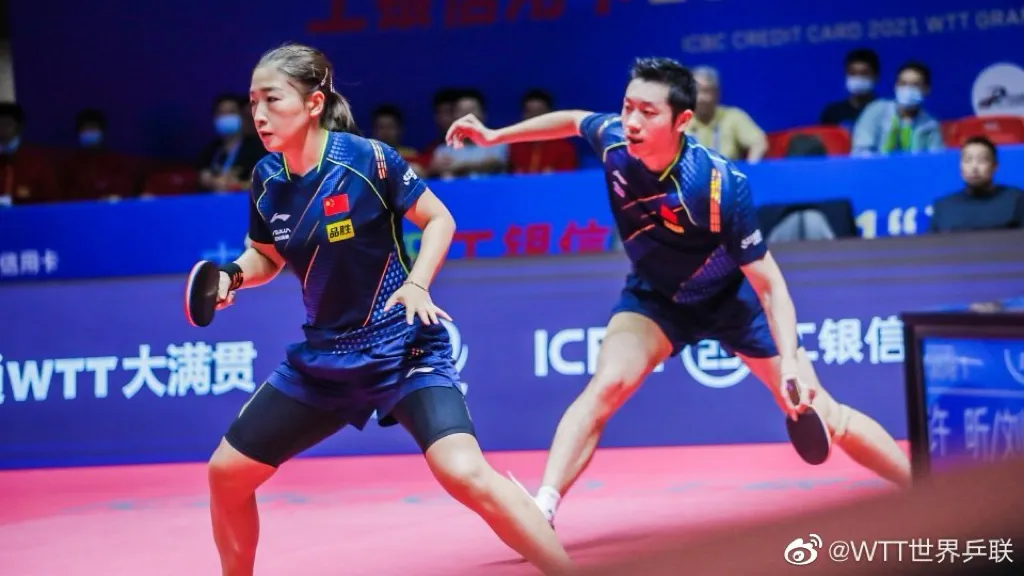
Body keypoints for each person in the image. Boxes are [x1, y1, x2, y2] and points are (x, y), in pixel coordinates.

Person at [445, 57, 913, 527]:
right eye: (627, 106)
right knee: (606, 385)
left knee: (825, 411)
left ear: (681, 120)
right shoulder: (613, 140)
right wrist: (495, 136)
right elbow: (571, 120)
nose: (631, 121)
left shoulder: (717, 185)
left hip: (731, 301)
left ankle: (925, 488)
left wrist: (791, 358)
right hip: (657, 298)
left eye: (648, 112)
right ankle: (541, 507)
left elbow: (770, 285)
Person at [203, 43, 574, 576]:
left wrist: (419, 284)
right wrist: (232, 275)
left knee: (463, 473)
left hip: (403, 347)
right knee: (226, 474)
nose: (258, 114)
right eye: (252, 101)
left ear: (312, 102)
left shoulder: (367, 161)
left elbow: (439, 220)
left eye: (272, 99)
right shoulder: (267, 178)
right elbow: (266, 254)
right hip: (324, 360)